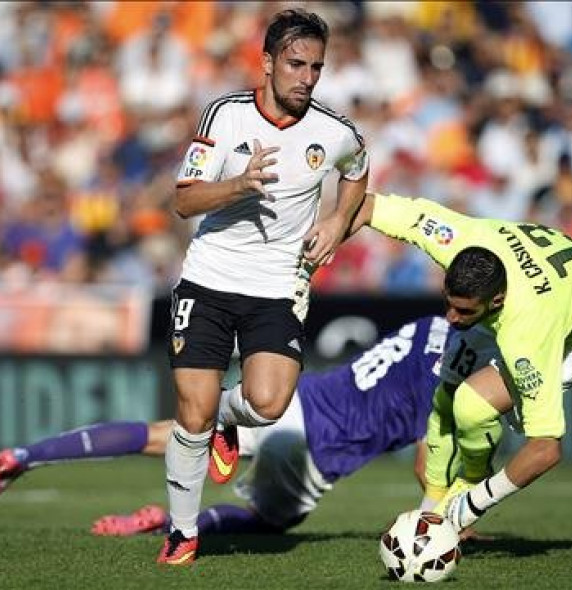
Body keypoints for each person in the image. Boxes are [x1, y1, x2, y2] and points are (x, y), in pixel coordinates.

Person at [0, 317, 501, 540]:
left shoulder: (433, 326)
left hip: (299, 398)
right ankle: (173, 522)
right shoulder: (461, 376)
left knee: (165, 434)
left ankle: (28, 454)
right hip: (316, 446)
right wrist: (447, 522)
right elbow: (427, 459)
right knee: (272, 525)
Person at [161, 8, 368, 564]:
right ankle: (182, 532)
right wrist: (239, 185)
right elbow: (183, 200)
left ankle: (233, 421)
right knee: (192, 413)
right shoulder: (225, 116)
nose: (306, 77)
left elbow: (358, 170)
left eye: (316, 68)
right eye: (296, 64)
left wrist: (336, 224)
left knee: (269, 403)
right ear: (268, 62)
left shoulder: (335, 131)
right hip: (209, 278)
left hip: (278, 284)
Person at [348, 191, 572, 533]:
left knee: (472, 406)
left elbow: (546, 449)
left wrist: (474, 503)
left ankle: (461, 501)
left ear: (496, 300)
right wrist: (332, 226)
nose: (450, 318)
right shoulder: (463, 241)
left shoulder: (526, 335)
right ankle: (431, 511)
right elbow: (374, 205)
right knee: (445, 397)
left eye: (463, 311)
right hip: (547, 287)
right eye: (448, 303)